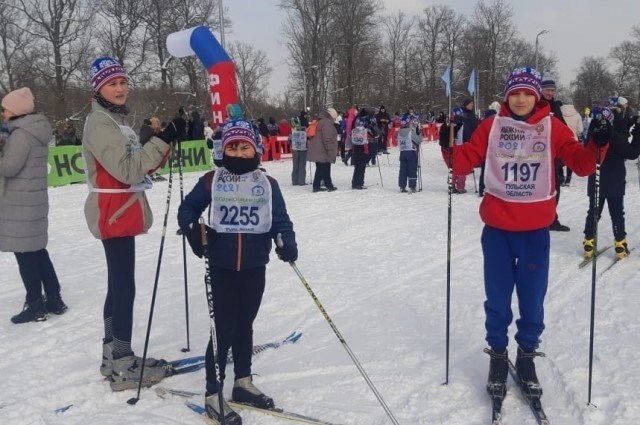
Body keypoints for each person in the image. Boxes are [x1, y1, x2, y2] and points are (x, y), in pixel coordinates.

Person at [438, 67, 609, 407]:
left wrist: (597, 144)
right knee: (498, 299)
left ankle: (527, 354)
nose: (520, 99)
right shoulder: (491, 125)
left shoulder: (552, 126)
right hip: (498, 231)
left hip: (534, 232)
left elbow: (582, 164)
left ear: (536, 96)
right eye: (515, 93)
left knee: (531, 300)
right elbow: (464, 161)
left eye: (527, 93)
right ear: (506, 96)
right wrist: (448, 146)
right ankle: (498, 355)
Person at [177, 114, 297, 424]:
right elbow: (187, 209)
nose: (239, 154)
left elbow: (279, 219)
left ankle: (242, 382)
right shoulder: (211, 180)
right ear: (223, 151)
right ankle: (212, 393)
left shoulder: (267, 184)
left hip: (255, 266)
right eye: (233, 149)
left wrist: (286, 242)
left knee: (246, 323)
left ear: (256, 149)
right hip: (222, 266)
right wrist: (193, 228)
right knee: (223, 329)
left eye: (245, 148)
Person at [82, 56, 186, 391]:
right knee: (124, 286)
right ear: (98, 88)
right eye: (112, 84)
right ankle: (122, 364)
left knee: (118, 284)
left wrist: (154, 139)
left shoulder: (111, 122)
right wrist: (162, 140)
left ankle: (114, 356)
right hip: (113, 210)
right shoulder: (99, 123)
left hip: (120, 208)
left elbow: (133, 163)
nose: (120, 88)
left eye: (123, 82)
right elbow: (128, 171)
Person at [0, 87, 68, 324]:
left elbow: (9, 167)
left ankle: (35, 304)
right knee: (37, 250)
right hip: (32, 202)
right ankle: (54, 298)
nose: (2, 113)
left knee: (25, 254)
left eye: (5, 108)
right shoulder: (35, 130)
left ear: (16, 111)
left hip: (21, 204)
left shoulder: (20, 135)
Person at [582, 106, 640, 259]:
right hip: (614, 181)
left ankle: (589, 241)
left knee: (594, 212)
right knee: (616, 214)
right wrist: (638, 132)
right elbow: (633, 153)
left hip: (596, 180)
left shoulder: (592, 137)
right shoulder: (615, 137)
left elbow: (584, 149)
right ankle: (620, 244)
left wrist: (630, 125)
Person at [540, 76, 570, 231]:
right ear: (541, 90)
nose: (550, 93)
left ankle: (551, 218)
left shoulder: (555, 106)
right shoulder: (536, 105)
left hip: (555, 155)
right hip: (539, 154)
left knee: (555, 186)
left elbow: (562, 127)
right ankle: (541, 218)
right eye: (547, 90)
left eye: (552, 90)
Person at [308, 108, 338, 192]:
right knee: (323, 168)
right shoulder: (327, 122)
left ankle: (328, 185)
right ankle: (317, 186)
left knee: (323, 167)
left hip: (317, 148)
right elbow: (327, 137)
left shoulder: (319, 121)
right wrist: (329, 149)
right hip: (322, 149)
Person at [559, 101, 584, 186]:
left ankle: (561, 178)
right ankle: (568, 179)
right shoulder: (577, 115)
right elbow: (580, 129)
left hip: (561, 140)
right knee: (570, 160)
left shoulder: (559, 114)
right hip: (573, 140)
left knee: (559, 159)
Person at [397, 110, 422, 193]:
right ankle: (412, 186)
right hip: (411, 152)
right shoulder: (410, 131)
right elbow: (418, 140)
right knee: (412, 169)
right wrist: (419, 132)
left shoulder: (399, 132)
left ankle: (402, 186)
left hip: (403, 152)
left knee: (403, 170)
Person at [351, 108, 372, 189]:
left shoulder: (355, 123)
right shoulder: (363, 125)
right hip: (363, 147)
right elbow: (369, 134)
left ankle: (355, 182)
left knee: (357, 166)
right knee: (361, 166)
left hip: (355, 146)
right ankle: (359, 183)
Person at [289, 116, 307, 185]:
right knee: (302, 165)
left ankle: (294, 181)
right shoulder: (303, 129)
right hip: (303, 148)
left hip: (295, 149)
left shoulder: (292, 130)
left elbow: (289, 139)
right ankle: (301, 181)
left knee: (295, 165)